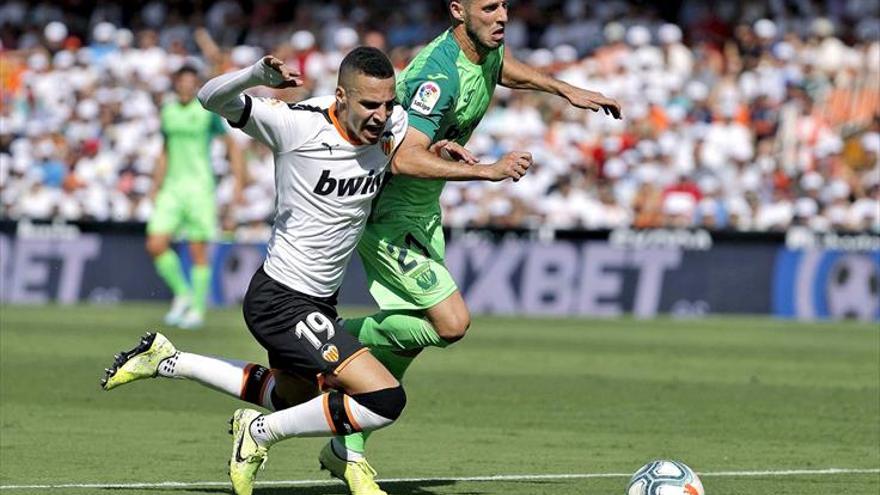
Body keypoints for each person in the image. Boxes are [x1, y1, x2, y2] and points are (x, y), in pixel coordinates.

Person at [101, 47, 500, 495]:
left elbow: (408, 153)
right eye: (370, 104)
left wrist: (441, 148)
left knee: (290, 398)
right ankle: (258, 433)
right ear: (341, 96)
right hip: (280, 298)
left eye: (388, 104)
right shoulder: (296, 124)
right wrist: (255, 75)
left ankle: (169, 359)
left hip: (319, 303)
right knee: (383, 399)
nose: (381, 115)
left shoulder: (394, 125)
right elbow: (210, 99)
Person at [327, 1, 622, 493]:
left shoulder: (482, 51)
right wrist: (486, 171)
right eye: (489, 7)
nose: (502, 15)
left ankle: (347, 442)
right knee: (450, 322)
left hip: (422, 214)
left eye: (505, 4)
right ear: (458, 10)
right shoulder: (438, 78)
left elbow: (503, 66)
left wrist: (563, 89)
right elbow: (402, 160)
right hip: (389, 215)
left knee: (418, 330)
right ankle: (328, 339)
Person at [146, 65, 245, 330]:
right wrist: (156, 184)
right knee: (155, 244)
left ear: (196, 85)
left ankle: (197, 310)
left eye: (191, 82)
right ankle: (183, 293)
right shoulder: (168, 111)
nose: (186, 86)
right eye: (182, 81)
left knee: (197, 251)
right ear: (176, 83)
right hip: (172, 188)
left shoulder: (206, 112)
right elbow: (165, 150)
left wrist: (238, 182)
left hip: (200, 188)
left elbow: (231, 144)